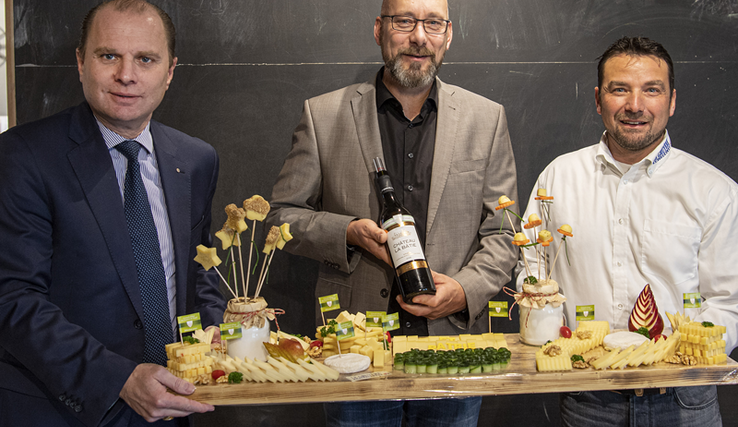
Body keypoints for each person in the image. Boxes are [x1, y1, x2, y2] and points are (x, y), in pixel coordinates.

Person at [266, 0, 518, 424]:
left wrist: (463, 291)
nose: (419, 37)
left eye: (432, 24)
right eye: (405, 22)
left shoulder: (487, 119)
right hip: (353, 350)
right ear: (380, 29)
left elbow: (503, 233)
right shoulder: (323, 114)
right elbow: (279, 218)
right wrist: (346, 232)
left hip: (452, 349)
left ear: (448, 34)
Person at [0, 1, 226, 425]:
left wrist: (212, 330)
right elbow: (12, 299)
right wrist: (119, 378)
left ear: (170, 71)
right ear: (81, 63)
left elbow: (199, 270)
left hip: (176, 406)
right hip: (64, 409)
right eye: (109, 56)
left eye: (145, 58)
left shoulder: (196, 159)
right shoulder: (22, 157)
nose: (127, 74)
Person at [518, 36, 737, 426]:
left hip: (684, 401)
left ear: (671, 101)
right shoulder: (559, 178)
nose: (635, 105)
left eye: (651, 90)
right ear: (599, 99)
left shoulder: (713, 190)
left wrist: (677, 356)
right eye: (621, 89)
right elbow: (532, 276)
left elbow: (729, 302)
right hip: (587, 398)